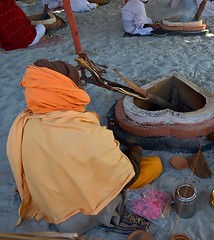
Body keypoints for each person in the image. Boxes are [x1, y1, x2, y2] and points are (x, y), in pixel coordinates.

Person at [6, 59, 163, 234]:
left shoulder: (24, 122)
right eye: (76, 86)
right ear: (66, 91)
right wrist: (135, 151)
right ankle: (105, 216)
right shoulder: (83, 132)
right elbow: (129, 176)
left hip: (50, 204)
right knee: (155, 164)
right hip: (78, 217)